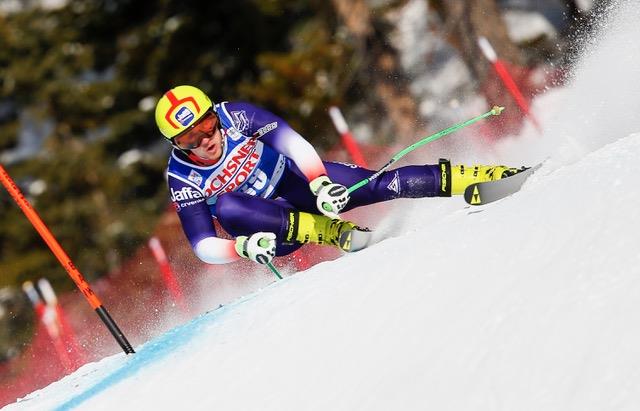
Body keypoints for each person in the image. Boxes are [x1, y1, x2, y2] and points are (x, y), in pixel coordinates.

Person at [155, 85, 525, 266]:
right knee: (228, 207)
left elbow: (293, 143)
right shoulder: (182, 176)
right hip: (273, 231)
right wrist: (241, 249)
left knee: (381, 184)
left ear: (215, 115)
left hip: (295, 183)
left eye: (206, 126)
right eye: (189, 139)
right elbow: (202, 244)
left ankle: (480, 176)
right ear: (175, 144)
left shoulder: (236, 115)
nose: (205, 141)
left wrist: (320, 183)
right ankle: (329, 231)